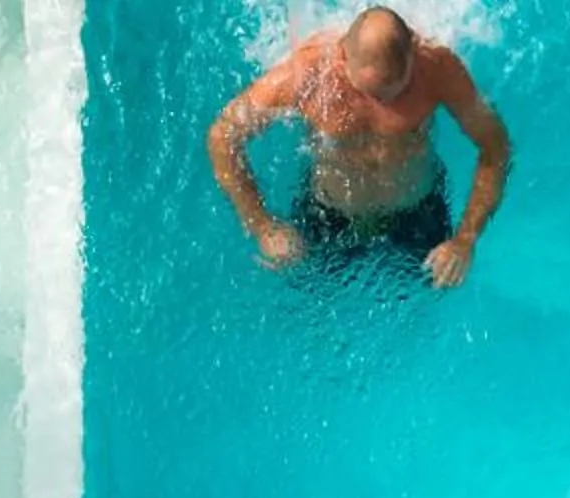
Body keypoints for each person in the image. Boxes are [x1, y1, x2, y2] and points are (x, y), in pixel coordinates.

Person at [207, 7, 511, 288]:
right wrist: (263, 226)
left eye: (396, 93)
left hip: (417, 210)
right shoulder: (304, 75)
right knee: (315, 306)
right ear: (342, 55)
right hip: (329, 214)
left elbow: (495, 147)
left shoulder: (438, 69)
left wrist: (465, 239)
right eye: (371, 92)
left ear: (414, 49)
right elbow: (223, 135)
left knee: (427, 302)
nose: (381, 104)